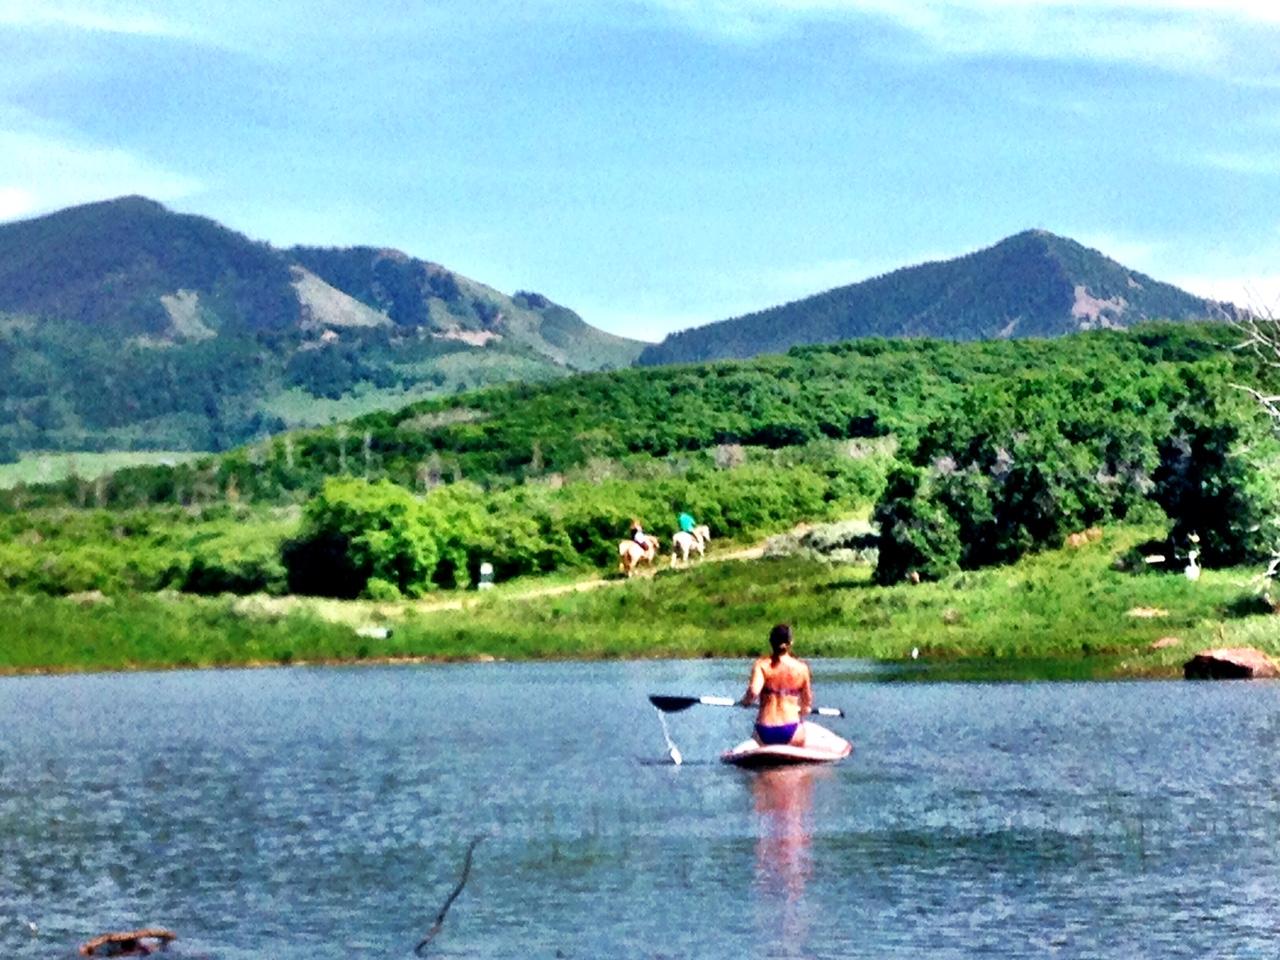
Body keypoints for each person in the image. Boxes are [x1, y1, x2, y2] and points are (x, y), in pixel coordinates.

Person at [740, 623, 812, 747]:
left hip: (765, 729)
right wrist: (805, 709)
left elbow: (753, 692)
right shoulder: (801, 668)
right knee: (802, 737)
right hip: (792, 729)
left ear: (771, 642)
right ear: (791, 642)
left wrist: (745, 702)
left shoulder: (762, 665)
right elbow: (807, 701)